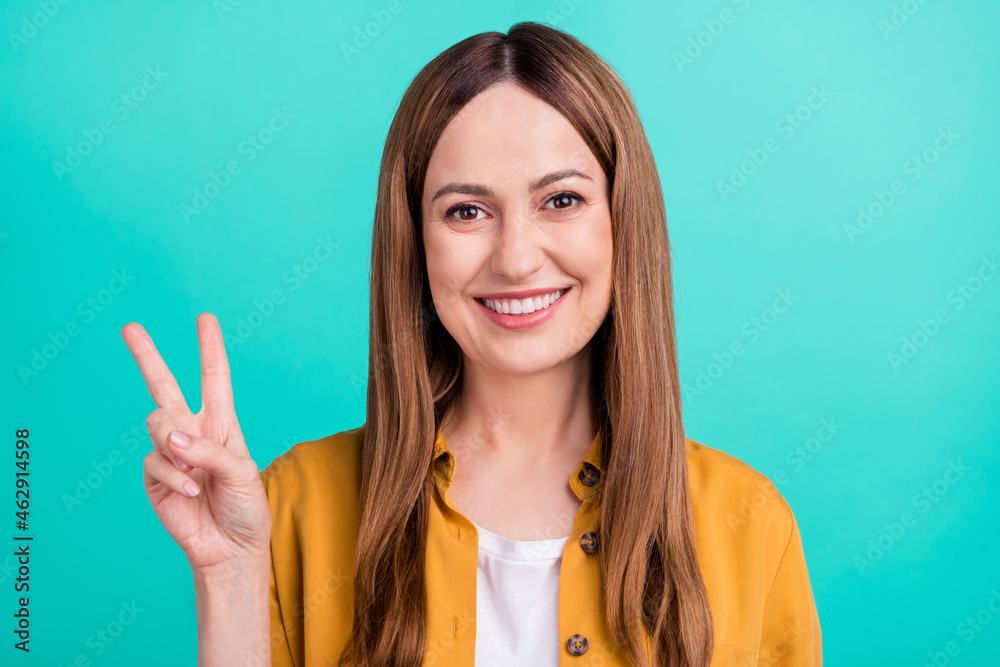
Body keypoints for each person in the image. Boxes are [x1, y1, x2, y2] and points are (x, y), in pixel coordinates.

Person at [122, 21, 821, 667]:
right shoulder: (294, 504)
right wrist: (230, 574)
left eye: (562, 199)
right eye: (466, 210)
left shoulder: (750, 524)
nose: (516, 258)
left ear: (622, 221)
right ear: (415, 243)